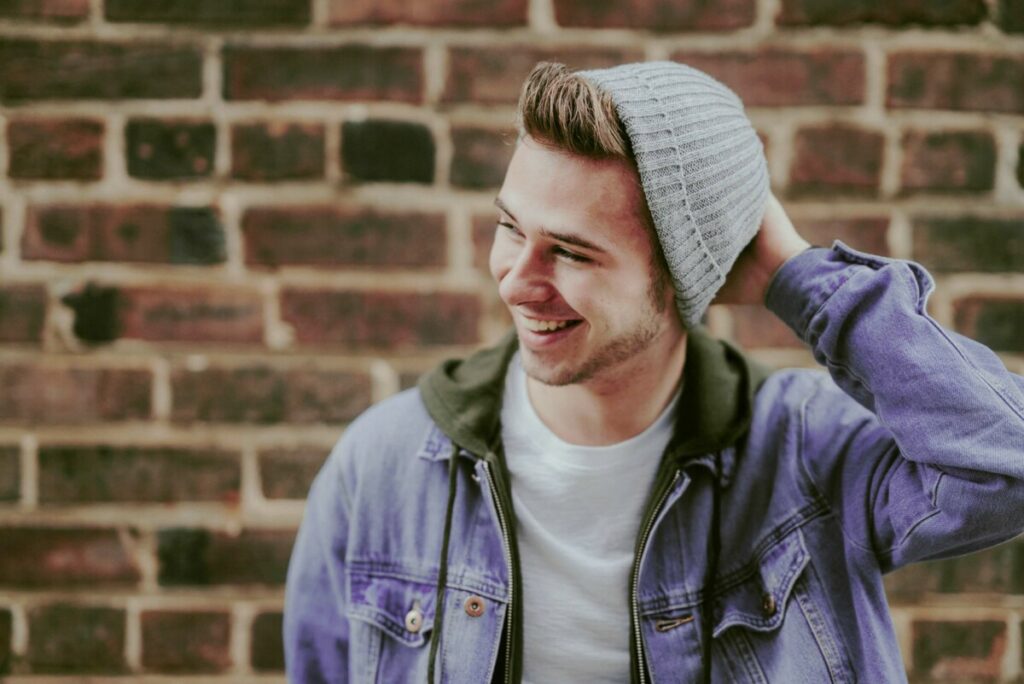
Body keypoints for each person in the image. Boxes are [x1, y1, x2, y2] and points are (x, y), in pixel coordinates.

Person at [283, 61, 1024, 683]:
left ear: (680, 277)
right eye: (511, 228)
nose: (515, 281)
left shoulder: (805, 455)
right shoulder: (382, 466)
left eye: (571, 252)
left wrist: (792, 275)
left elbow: (1006, 463)